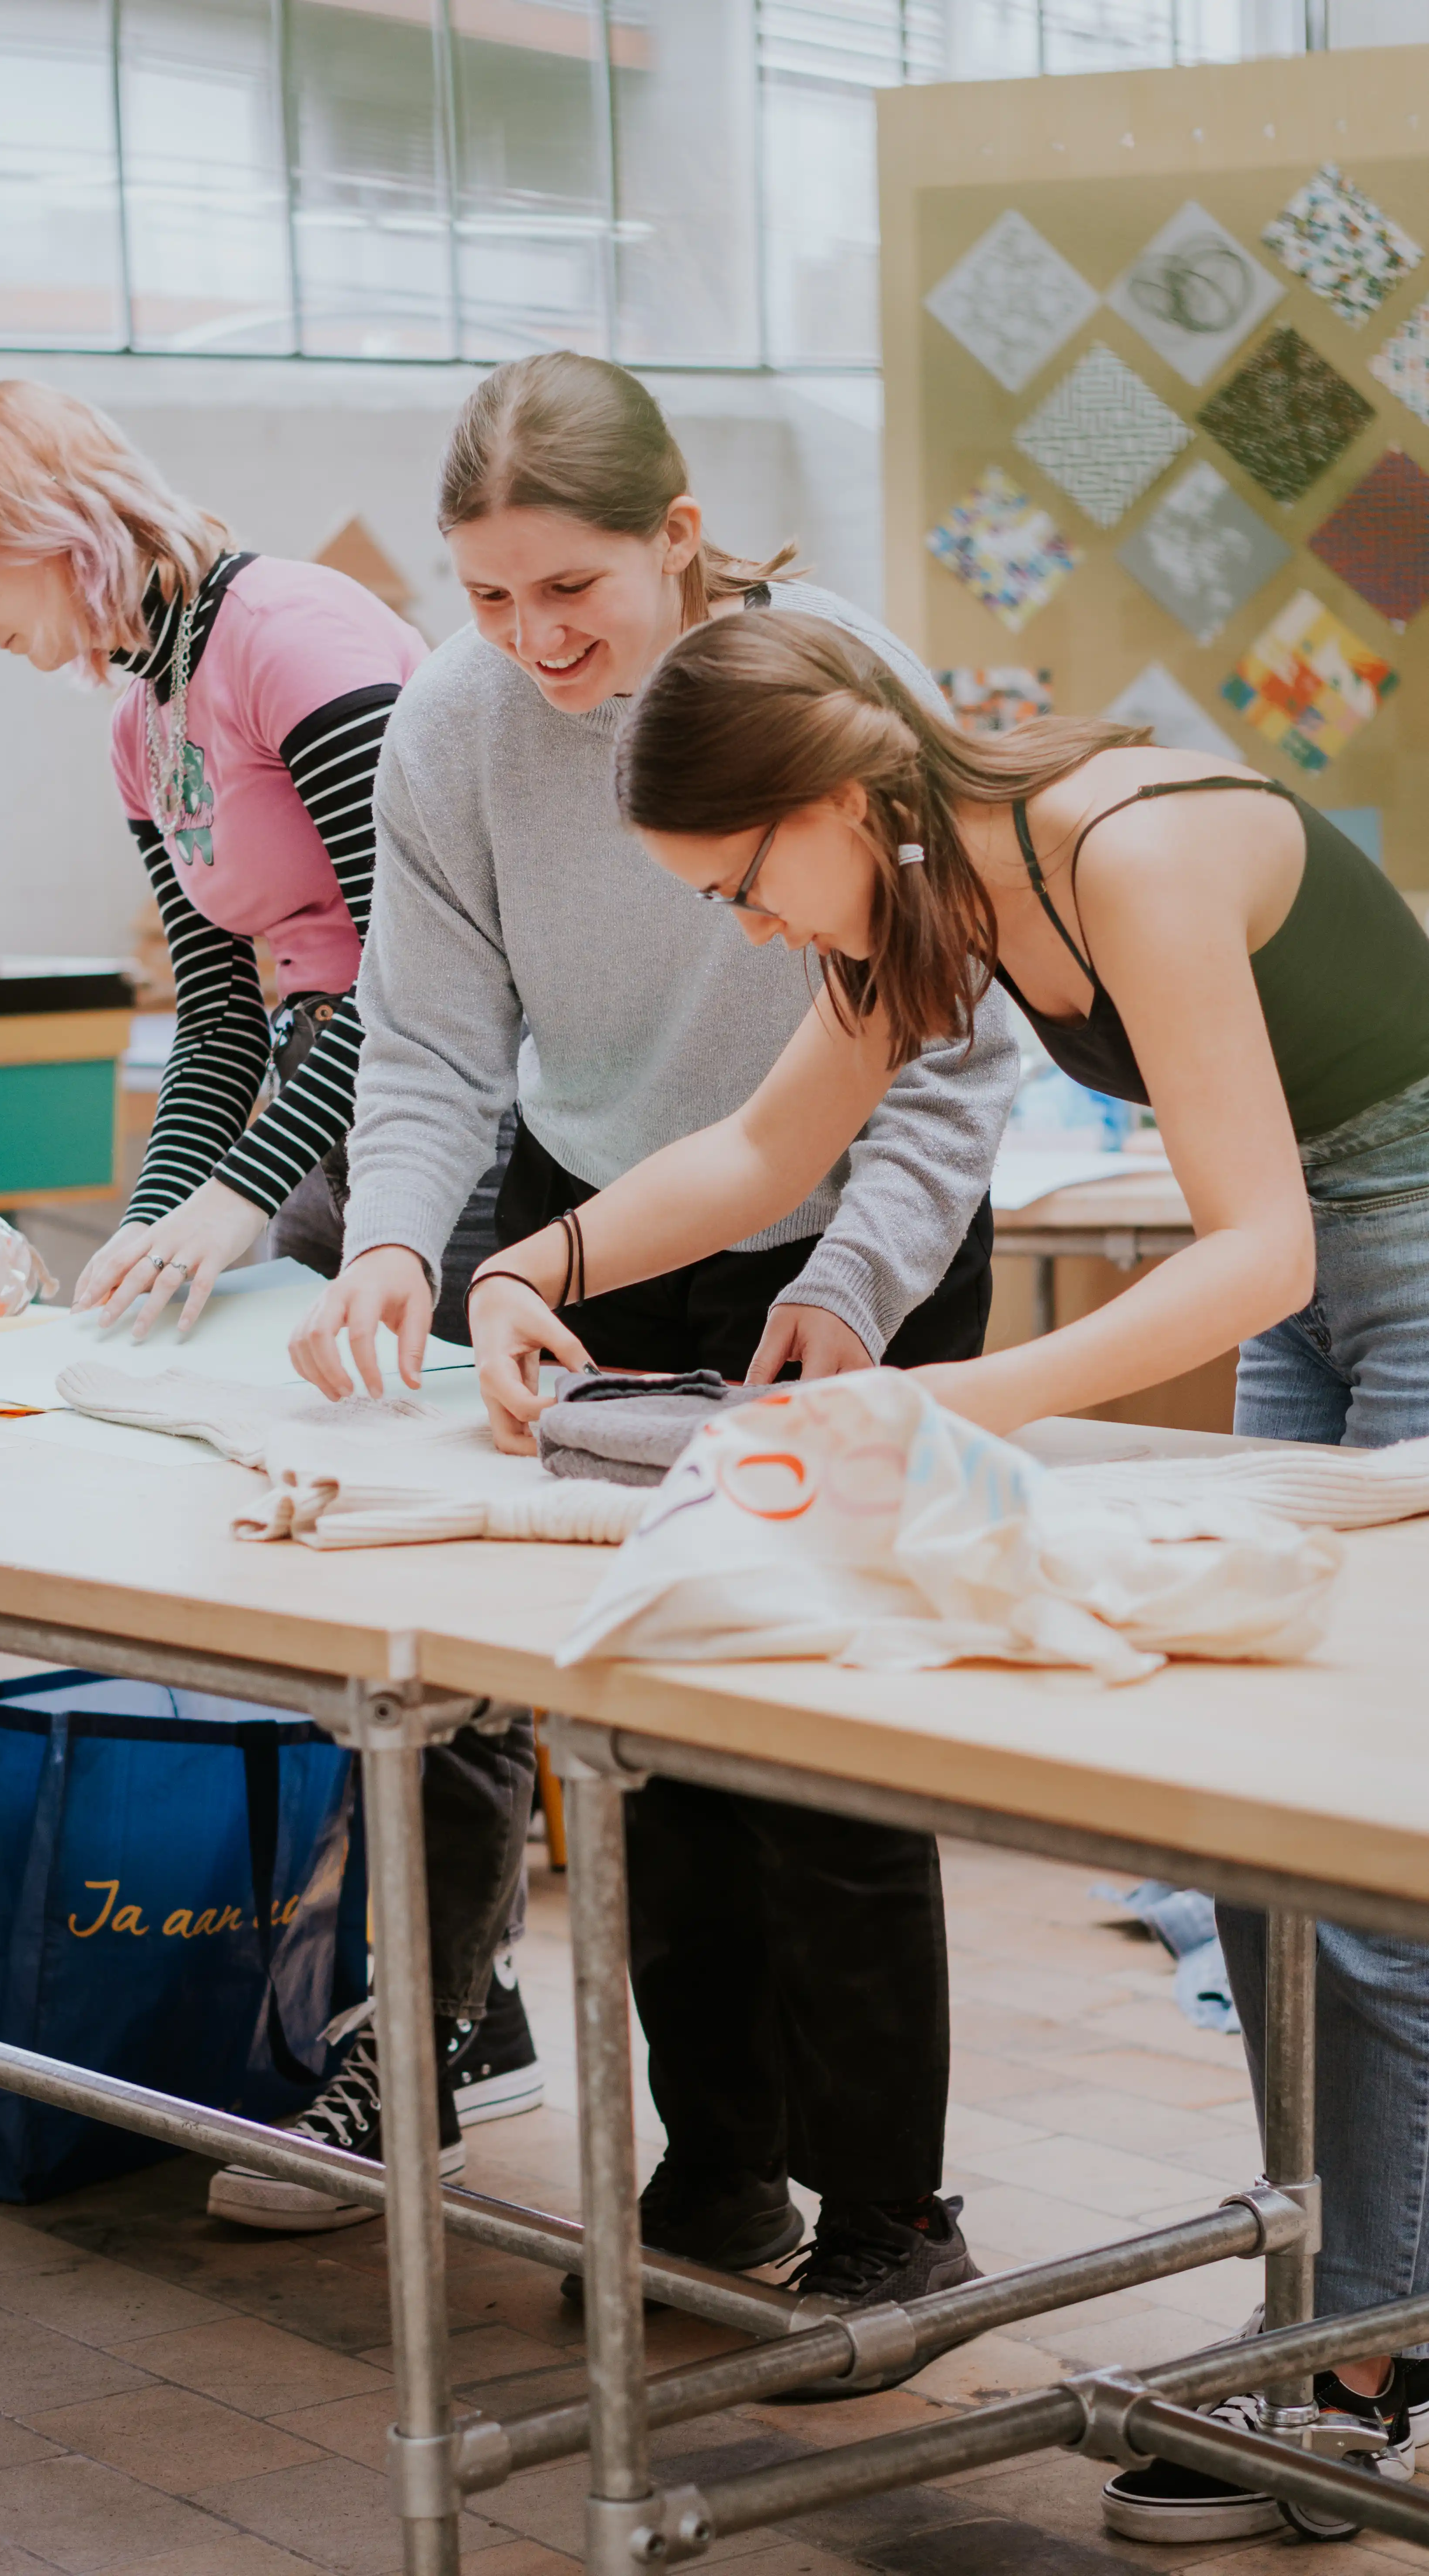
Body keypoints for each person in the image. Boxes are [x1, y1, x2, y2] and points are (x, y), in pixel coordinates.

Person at [461, 602, 1429, 2528]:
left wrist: (956, 1399)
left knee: (1374, 1859)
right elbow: (751, 1155)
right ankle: (1338, 2320)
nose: (746, 929)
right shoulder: (922, 895)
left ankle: (1356, 2365)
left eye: (741, 883)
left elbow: (1261, 1253)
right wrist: (523, 1267)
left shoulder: (1119, 851)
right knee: (1251, 1828)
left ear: (833, 797)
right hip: (1337, 1280)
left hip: (1391, 1261)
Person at [292, 352, 1019, 2305]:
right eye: (488, 593)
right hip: (607, 1236)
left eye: (573, 589)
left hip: (858, 1237)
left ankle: (893, 2218)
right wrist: (395, 1247)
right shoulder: (449, 731)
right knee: (653, 1728)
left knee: (824, 1748)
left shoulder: (830, 674)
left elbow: (950, 1046)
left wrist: (849, 1283)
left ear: (679, 539)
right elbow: (434, 1038)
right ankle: (721, 2176)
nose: (533, 639)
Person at [0, 379, 542, 2229]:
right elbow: (228, 1013)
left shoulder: (297, 638)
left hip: (446, 1131)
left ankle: (415, 2044)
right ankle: (435, 2000)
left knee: (427, 1602)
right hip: (324, 1101)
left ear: (53, 528)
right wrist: (149, 1237)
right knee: (251, 1509)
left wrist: (253, 1194)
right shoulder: (137, 714)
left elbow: (418, 969)